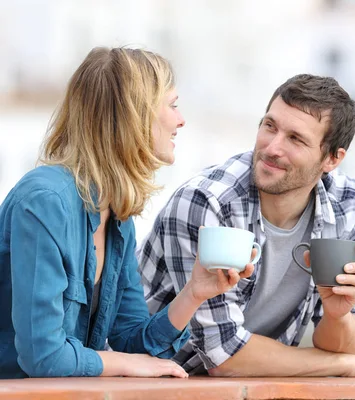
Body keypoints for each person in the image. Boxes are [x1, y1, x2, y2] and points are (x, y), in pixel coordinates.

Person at [137, 74, 355, 377]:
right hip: (157, 380)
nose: (272, 147)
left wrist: (337, 316)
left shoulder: (347, 204)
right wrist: (346, 365)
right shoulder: (207, 201)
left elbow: (344, 344)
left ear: (333, 159)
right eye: (269, 126)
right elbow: (222, 356)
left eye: (295, 139)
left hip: (256, 383)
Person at [0, 47, 254, 379]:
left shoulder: (118, 216)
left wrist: (194, 293)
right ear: (134, 115)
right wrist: (124, 362)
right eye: (173, 105)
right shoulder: (46, 202)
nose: (181, 120)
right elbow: (44, 356)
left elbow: (132, 342)